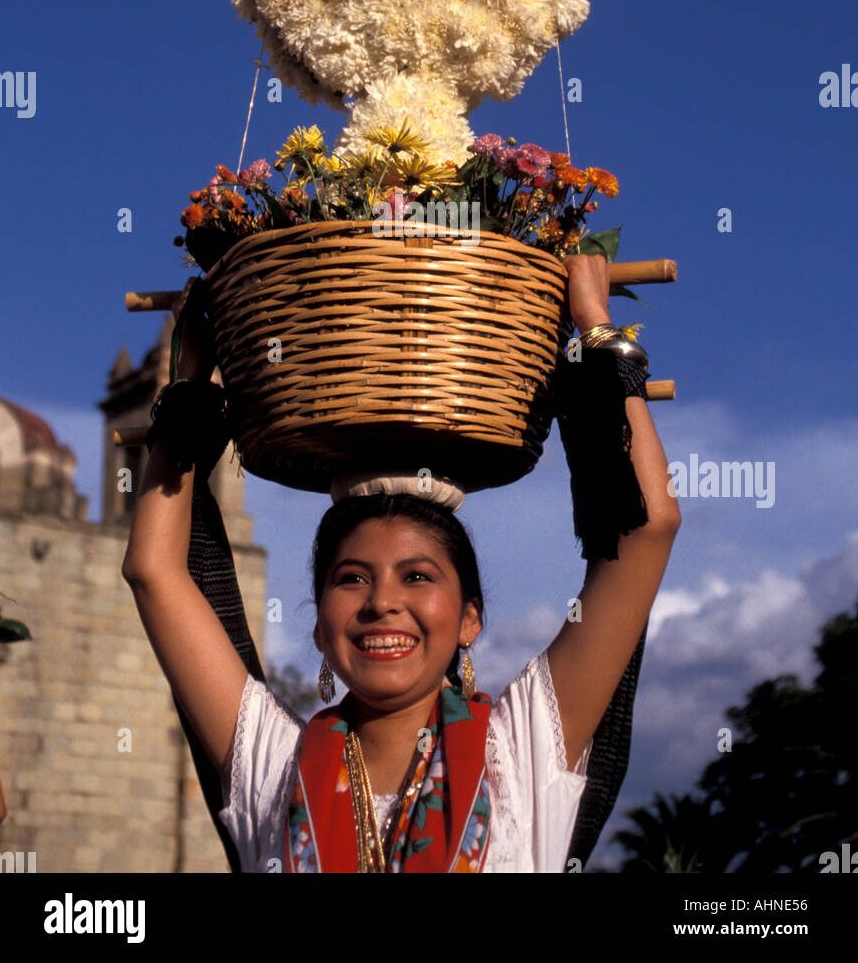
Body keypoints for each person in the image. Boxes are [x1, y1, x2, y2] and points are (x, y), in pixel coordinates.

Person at [122, 252, 681, 872]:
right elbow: (155, 571)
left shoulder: (521, 749)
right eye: (351, 578)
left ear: (471, 618)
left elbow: (645, 530)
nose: (381, 601)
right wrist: (193, 376)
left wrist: (593, 327)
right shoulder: (273, 765)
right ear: (316, 624)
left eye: (417, 576)